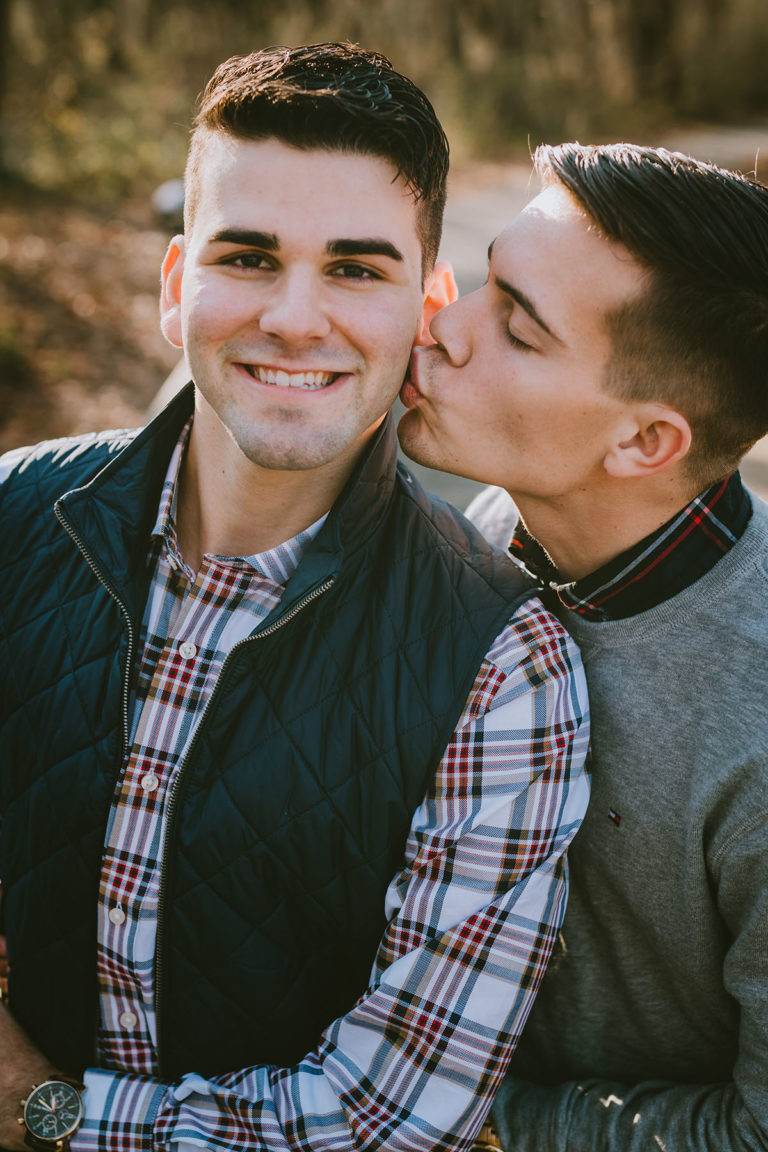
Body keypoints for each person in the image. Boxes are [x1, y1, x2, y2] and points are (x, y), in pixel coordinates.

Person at [0, 45, 590, 1152]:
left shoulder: (503, 663)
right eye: (250, 256)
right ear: (178, 287)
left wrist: (44, 1114)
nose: (296, 319)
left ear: (428, 305)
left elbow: (391, 1118)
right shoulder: (14, 516)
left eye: (358, 270)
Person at [398, 140, 768, 1151]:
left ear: (645, 442)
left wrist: (477, 1126)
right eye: (482, 285)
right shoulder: (486, 534)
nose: (442, 327)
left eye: (516, 328)